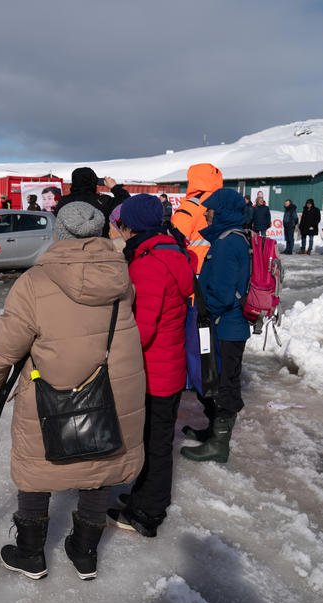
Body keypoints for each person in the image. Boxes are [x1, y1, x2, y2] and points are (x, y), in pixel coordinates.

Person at [0, 201, 145, 580]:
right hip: (113, 388)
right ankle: (85, 552)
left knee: (37, 467)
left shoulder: (35, 281)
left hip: (53, 390)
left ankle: (31, 553)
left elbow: (6, 343)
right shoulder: (120, 278)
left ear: (59, 234)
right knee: (100, 464)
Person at [106, 194, 194, 538]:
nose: (121, 231)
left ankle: (148, 513)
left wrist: (112, 352)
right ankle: (144, 496)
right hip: (167, 368)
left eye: (123, 225)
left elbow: (141, 329)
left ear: (134, 226)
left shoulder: (148, 263)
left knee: (155, 444)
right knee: (153, 440)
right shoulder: (171, 251)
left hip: (153, 371)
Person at [180, 189, 251, 463]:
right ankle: (213, 432)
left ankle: (220, 443)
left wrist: (201, 310)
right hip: (226, 325)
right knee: (217, 379)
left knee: (222, 382)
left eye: (210, 210)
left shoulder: (227, 243)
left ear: (222, 211)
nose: (206, 214)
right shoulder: (230, 238)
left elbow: (222, 293)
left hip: (225, 326)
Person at [171, 163, 224, 272]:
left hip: (195, 269)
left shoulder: (188, 208)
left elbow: (173, 246)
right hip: (220, 268)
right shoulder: (224, 204)